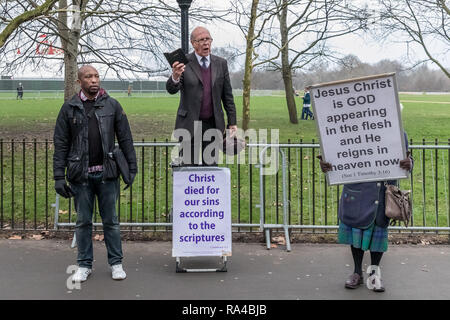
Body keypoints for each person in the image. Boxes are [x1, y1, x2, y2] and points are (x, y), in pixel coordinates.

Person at [53, 65, 137, 282]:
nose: (93, 80)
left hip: (107, 174)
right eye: (88, 77)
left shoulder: (112, 105)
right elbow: (61, 144)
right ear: (79, 81)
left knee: (111, 221)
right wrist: (58, 177)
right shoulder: (69, 108)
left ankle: (116, 263)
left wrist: (132, 167)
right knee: (82, 222)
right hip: (80, 176)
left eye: (96, 76)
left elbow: (125, 138)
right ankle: (84, 264)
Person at [318, 129, 413, 292]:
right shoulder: (348, 131)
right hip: (356, 190)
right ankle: (357, 273)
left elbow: (408, 159)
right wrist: (328, 165)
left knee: (378, 235)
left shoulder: (397, 130)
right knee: (356, 232)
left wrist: (408, 163)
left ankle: (374, 274)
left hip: (381, 193)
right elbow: (338, 156)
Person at [166, 26, 237, 166]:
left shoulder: (221, 63)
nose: (206, 43)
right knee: (187, 167)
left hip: (213, 124)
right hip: (189, 124)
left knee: (211, 168)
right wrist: (175, 76)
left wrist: (232, 122)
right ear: (193, 43)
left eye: (208, 39)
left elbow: (227, 96)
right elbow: (171, 89)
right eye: (201, 40)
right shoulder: (184, 63)